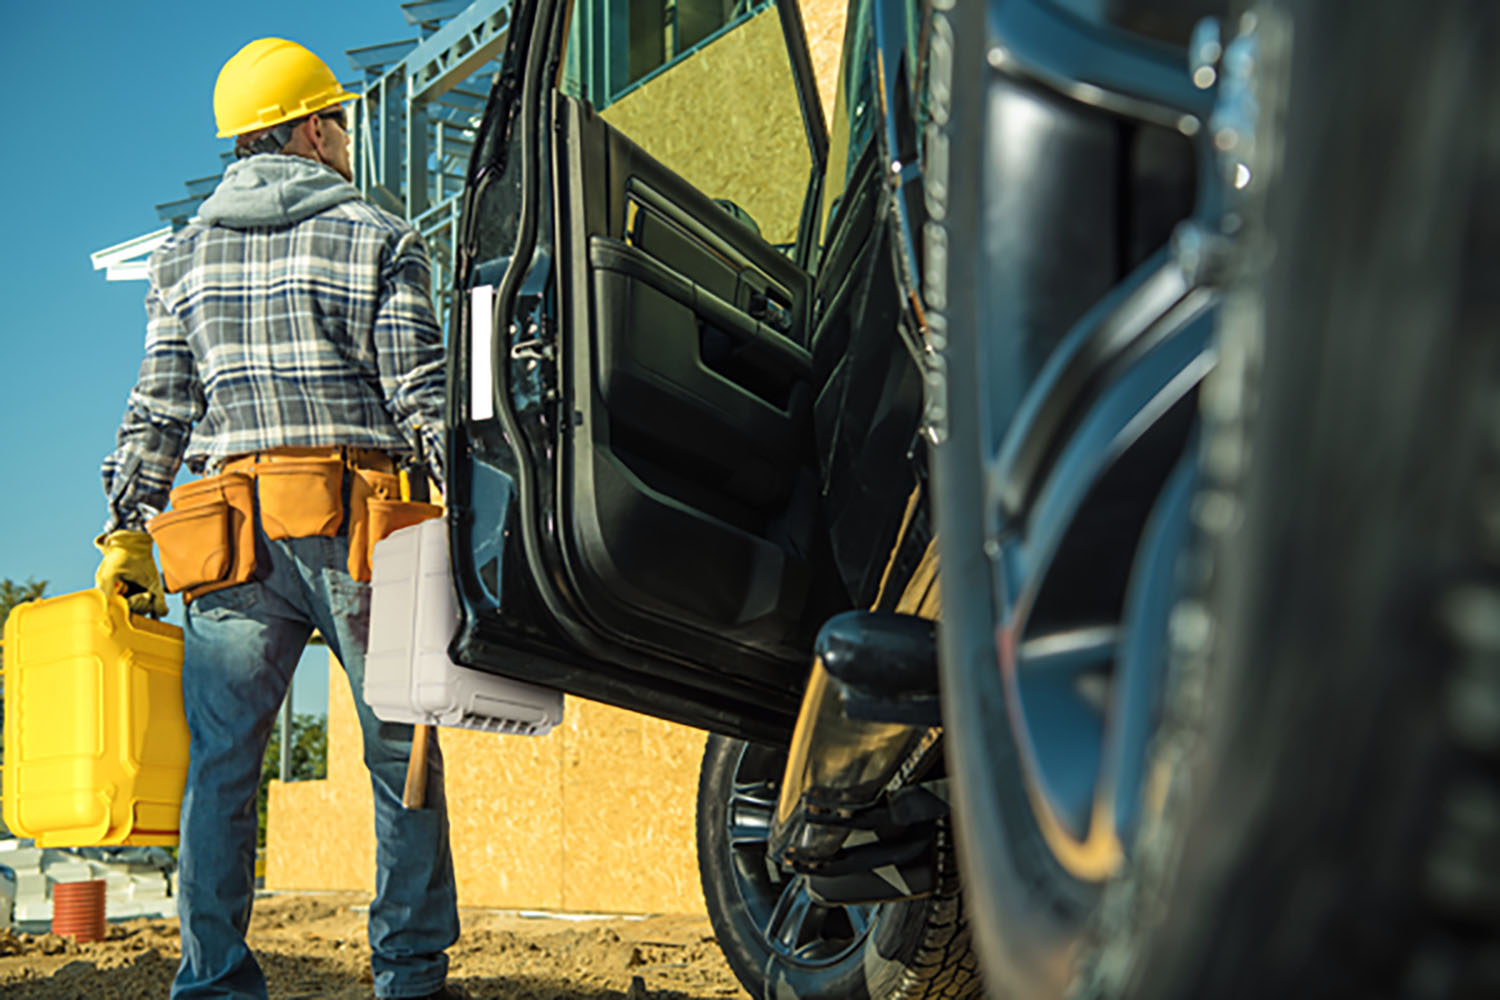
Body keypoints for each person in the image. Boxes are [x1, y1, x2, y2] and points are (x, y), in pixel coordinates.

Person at [93, 37, 465, 1000]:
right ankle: (410, 974)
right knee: (400, 754)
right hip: (360, 530)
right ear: (312, 129)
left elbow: (159, 406)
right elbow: (423, 394)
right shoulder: (379, 236)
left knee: (220, 767)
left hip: (227, 539)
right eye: (339, 120)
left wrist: (126, 525)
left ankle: (213, 981)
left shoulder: (181, 258)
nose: (348, 136)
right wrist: (475, 506)